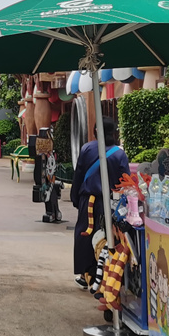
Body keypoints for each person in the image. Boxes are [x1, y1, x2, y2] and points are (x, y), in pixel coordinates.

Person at [69, 117, 130, 288]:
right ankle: (106, 278)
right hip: (110, 203)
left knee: (84, 234)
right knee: (107, 237)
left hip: (87, 201)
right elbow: (125, 181)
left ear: (96, 131)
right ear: (114, 132)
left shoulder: (87, 149)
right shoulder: (119, 154)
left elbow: (78, 176)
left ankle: (85, 275)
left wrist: (76, 199)